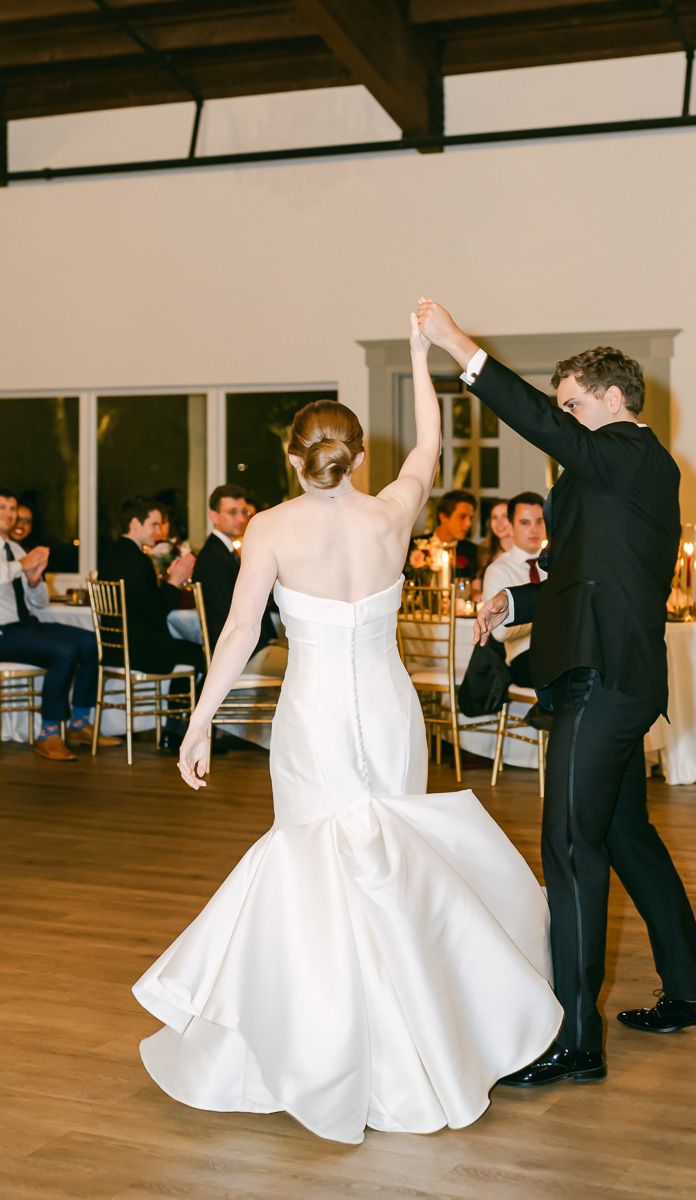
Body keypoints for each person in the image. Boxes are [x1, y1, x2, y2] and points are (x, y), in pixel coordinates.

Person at [132, 310, 563, 1146]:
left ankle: (323, 1047)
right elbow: (428, 451)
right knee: (390, 864)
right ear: (357, 455)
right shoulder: (393, 513)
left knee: (316, 866)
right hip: (389, 705)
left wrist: (200, 720)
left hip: (315, 713)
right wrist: (418, 355)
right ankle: (418, 1046)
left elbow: (236, 636)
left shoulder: (268, 528)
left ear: (295, 458)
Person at [416, 298, 696, 1088]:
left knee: (568, 847)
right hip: (617, 675)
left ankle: (574, 1040)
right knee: (625, 839)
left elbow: (540, 427)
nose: (565, 419)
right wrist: (514, 602)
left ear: (615, 402)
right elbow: (582, 573)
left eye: (574, 405)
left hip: (602, 680)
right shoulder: (621, 474)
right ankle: (695, 994)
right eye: (564, 408)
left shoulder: (628, 451)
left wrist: (461, 347)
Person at [0, 486, 120, 761]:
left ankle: (79, 722)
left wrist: (33, 581)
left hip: (25, 625)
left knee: (90, 641)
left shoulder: (15, 548)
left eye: (12, 508)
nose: (9, 514)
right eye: (2, 507)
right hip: (3, 632)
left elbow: (39, 602)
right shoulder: (18, 555)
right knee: (63, 652)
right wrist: (23, 565)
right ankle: (49, 733)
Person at [102, 498, 203, 750]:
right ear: (135, 523)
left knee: (189, 651)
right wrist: (173, 582)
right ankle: (176, 730)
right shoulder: (136, 560)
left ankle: (175, 729)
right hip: (139, 651)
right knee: (200, 655)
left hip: (115, 648)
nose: (158, 531)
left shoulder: (113, 553)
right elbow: (153, 613)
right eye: (154, 524)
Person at [192, 484, 279, 656]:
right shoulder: (213, 557)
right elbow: (227, 612)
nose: (241, 519)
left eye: (244, 512)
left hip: (242, 645)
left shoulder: (223, 552)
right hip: (235, 652)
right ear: (214, 516)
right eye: (232, 512)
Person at [482, 491, 547, 689]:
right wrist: (548, 617)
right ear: (510, 526)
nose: (534, 529)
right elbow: (500, 632)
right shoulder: (498, 570)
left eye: (540, 521)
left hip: (564, 651)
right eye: (525, 523)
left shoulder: (559, 562)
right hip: (523, 659)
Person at [435, 489, 478, 579]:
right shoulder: (413, 546)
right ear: (443, 517)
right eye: (462, 517)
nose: (468, 523)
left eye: (470, 518)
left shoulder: (474, 552)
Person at [475, 498, 513, 581]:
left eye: (505, 516)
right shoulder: (484, 551)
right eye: (495, 517)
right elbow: (476, 588)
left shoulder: (527, 553)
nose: (499, 523)